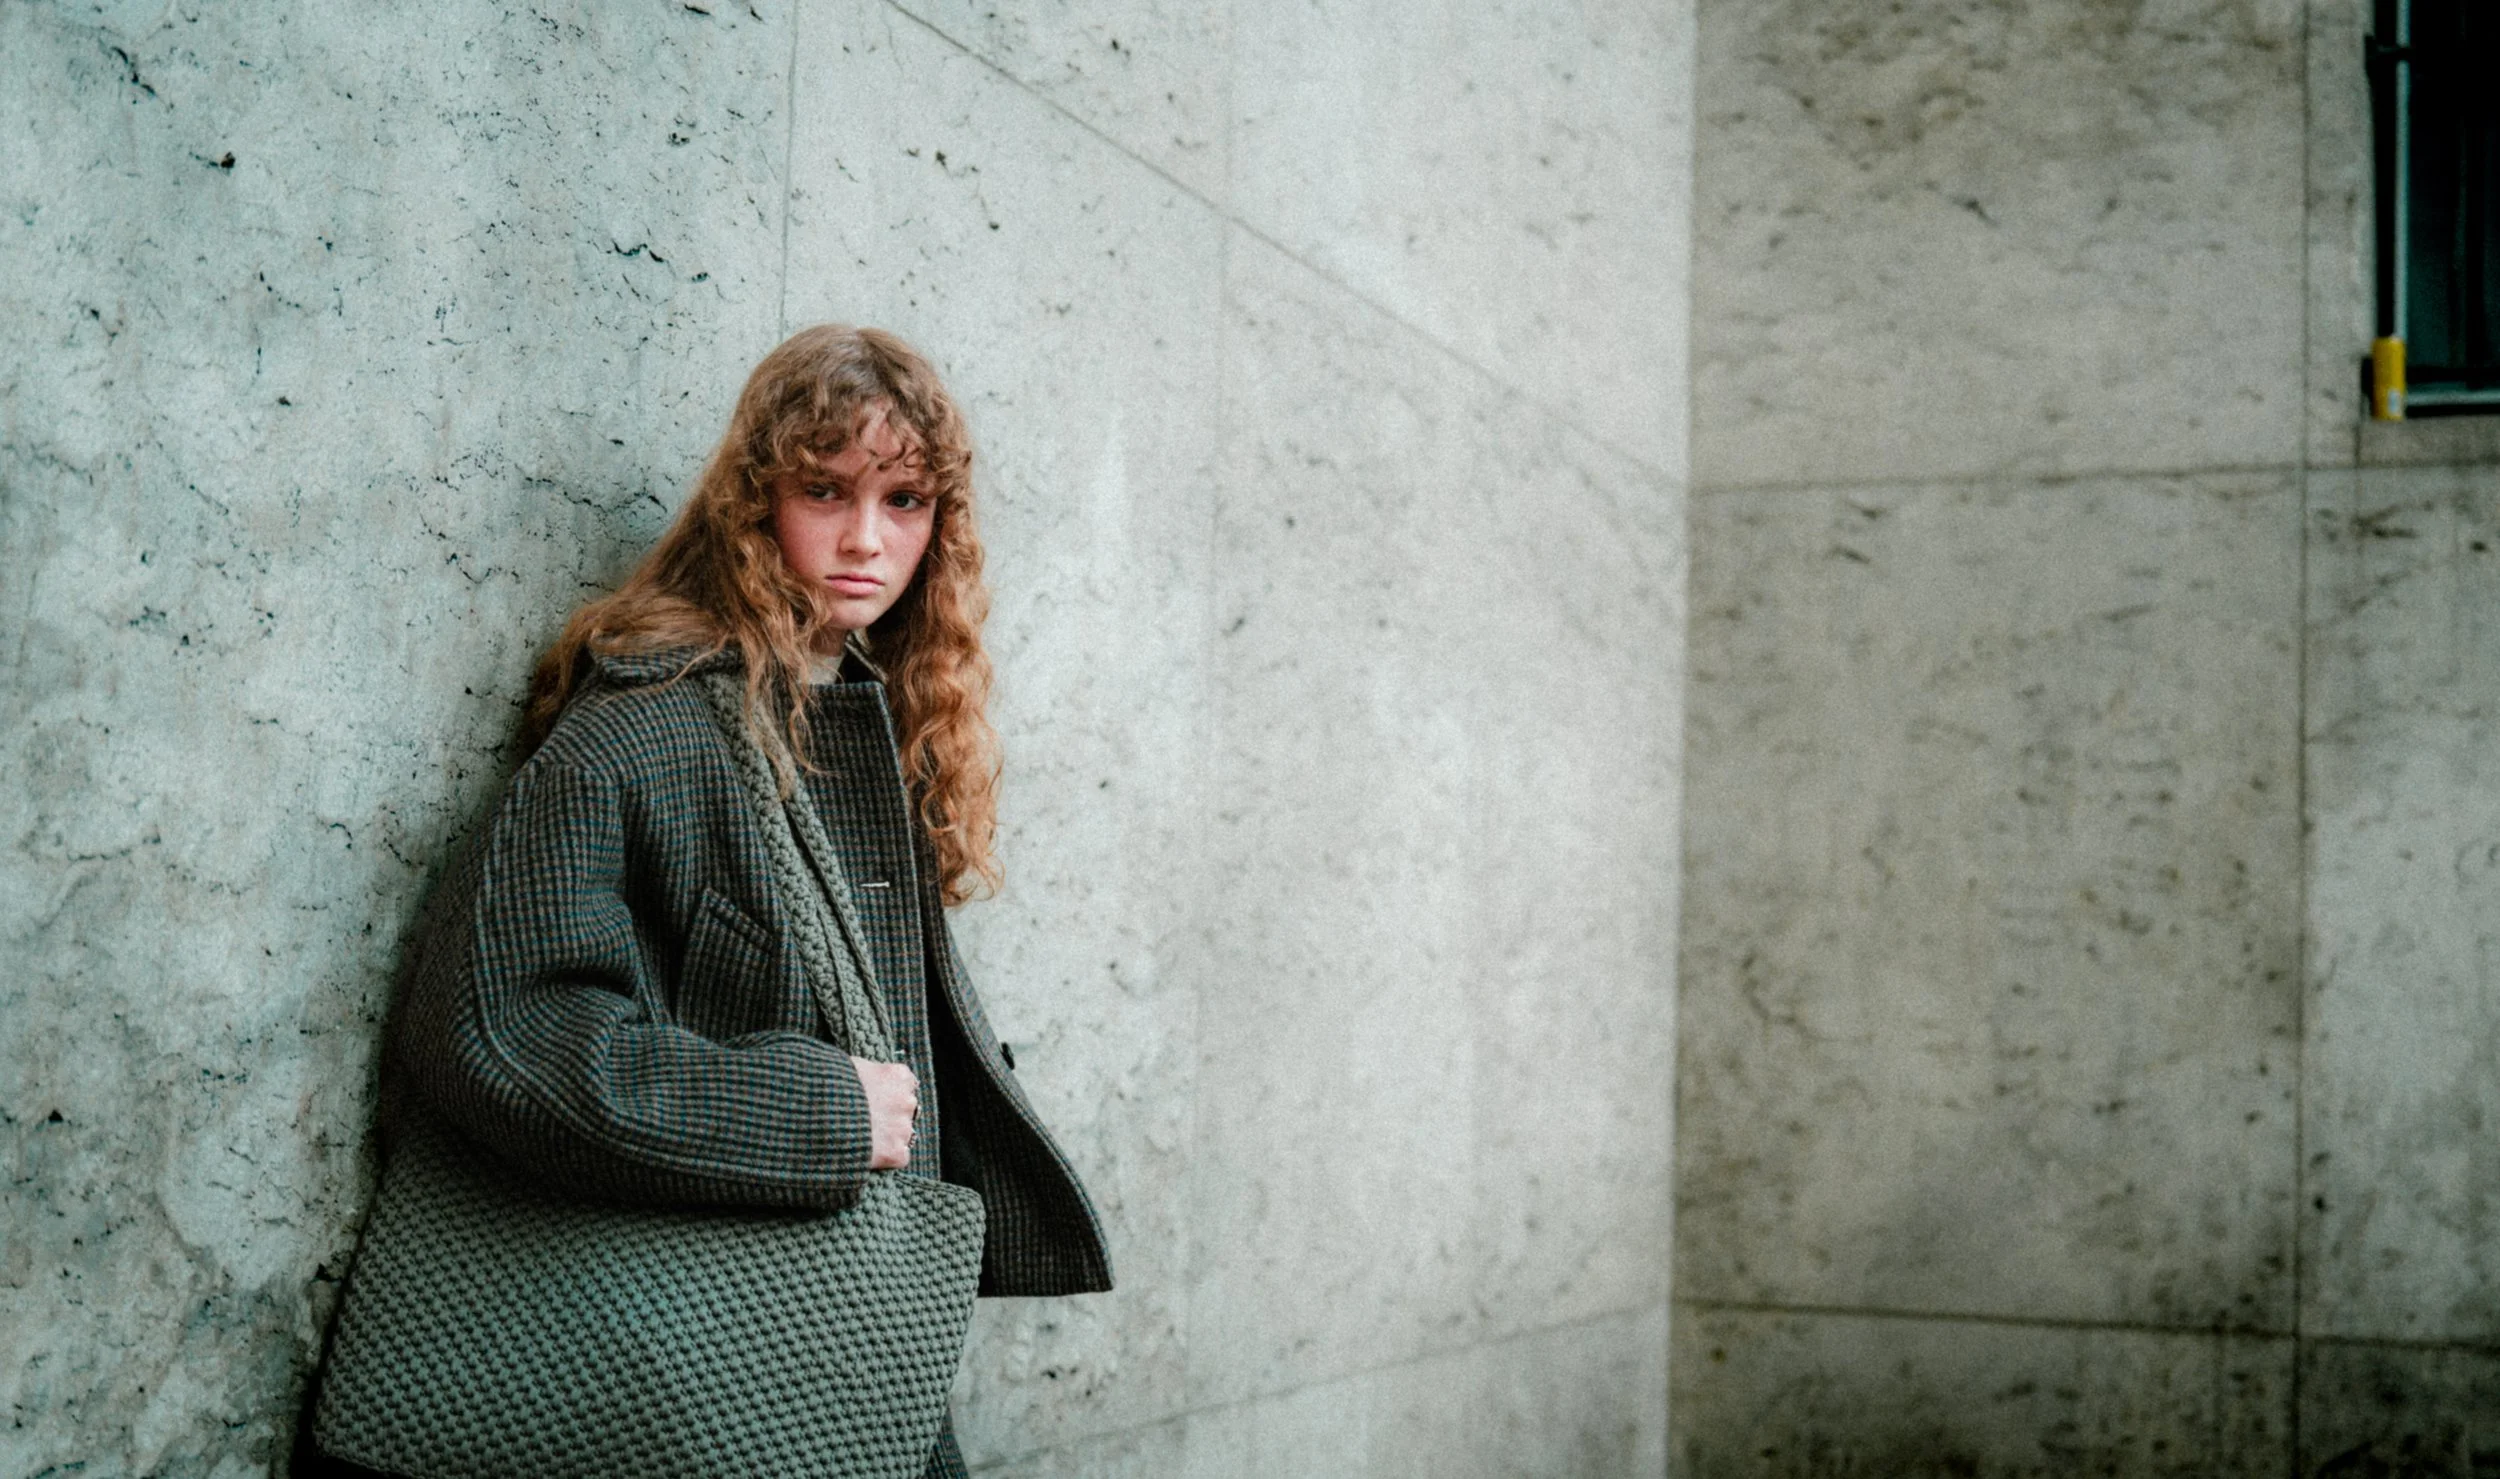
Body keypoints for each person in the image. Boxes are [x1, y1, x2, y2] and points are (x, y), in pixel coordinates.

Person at [341, 324, 1111, 1478]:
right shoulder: (647, 723)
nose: (866, 538)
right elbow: (501, 1031)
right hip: (694, 1363)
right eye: (824, 490)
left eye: (905, 500)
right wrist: (813, 1112)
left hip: (825, 1338)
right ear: (754, 503)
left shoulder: (864, 712)